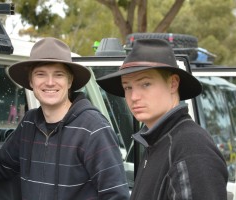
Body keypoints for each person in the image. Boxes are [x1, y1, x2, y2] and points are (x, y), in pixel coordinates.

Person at [0, 37, 130, 199]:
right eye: (40, 74)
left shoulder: (94, 128)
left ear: (69, 81)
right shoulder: (29, 123)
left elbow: (115, 195)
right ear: (31, 82)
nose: (49, 82)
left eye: (58, 74)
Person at [97, 39, 228, 200]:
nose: (134, 97)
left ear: (173, 84)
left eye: (145, 84)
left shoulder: (191, 147)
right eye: (127, 87)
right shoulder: (157, 141)